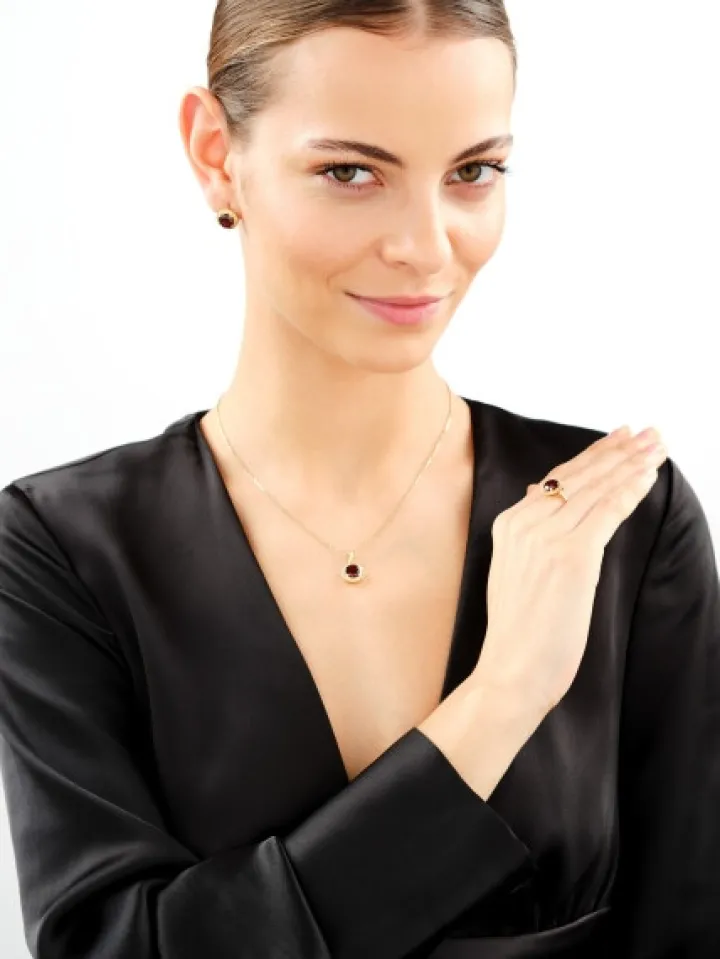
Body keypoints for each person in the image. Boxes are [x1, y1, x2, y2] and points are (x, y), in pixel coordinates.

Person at [1, 1, 719, 957]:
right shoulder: (61, 547)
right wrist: (502, 697)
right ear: (216, 153)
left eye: (473, 172)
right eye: (350, 172)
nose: (426, 246)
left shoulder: (620, 520)